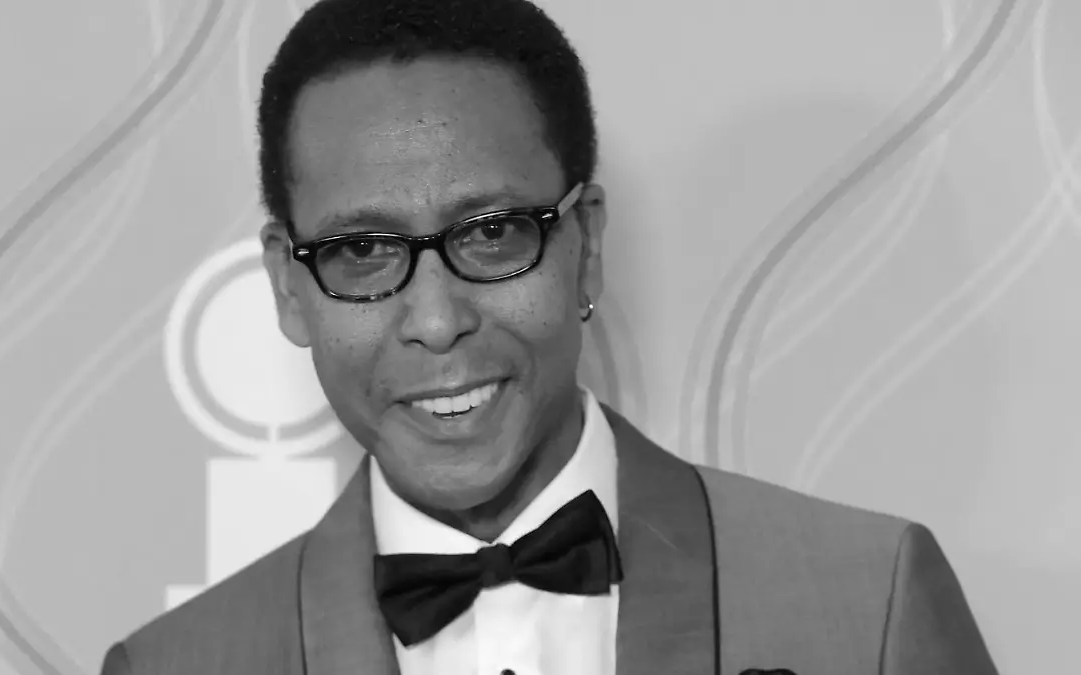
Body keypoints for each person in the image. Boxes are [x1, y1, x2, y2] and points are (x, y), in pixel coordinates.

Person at [100, 0, 998, 673]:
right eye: (363, 250)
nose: (437, 318)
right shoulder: (175, 666)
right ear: (291, 288)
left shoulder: (867, 603)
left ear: (587, 243)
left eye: (491, 231)